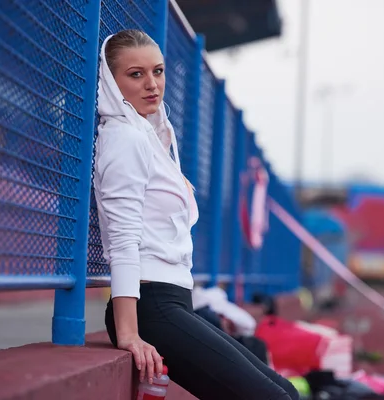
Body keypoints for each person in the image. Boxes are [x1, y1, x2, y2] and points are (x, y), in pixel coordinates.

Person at [93, 29, 299, 400]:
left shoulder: (151, 138)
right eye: (135, 74)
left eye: (157, 71)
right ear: (111, 81)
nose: (152, 84)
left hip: (174, 301)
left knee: (285, 391)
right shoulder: (125, 139)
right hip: (151, 306)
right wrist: (129, 334)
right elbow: (123, 240)